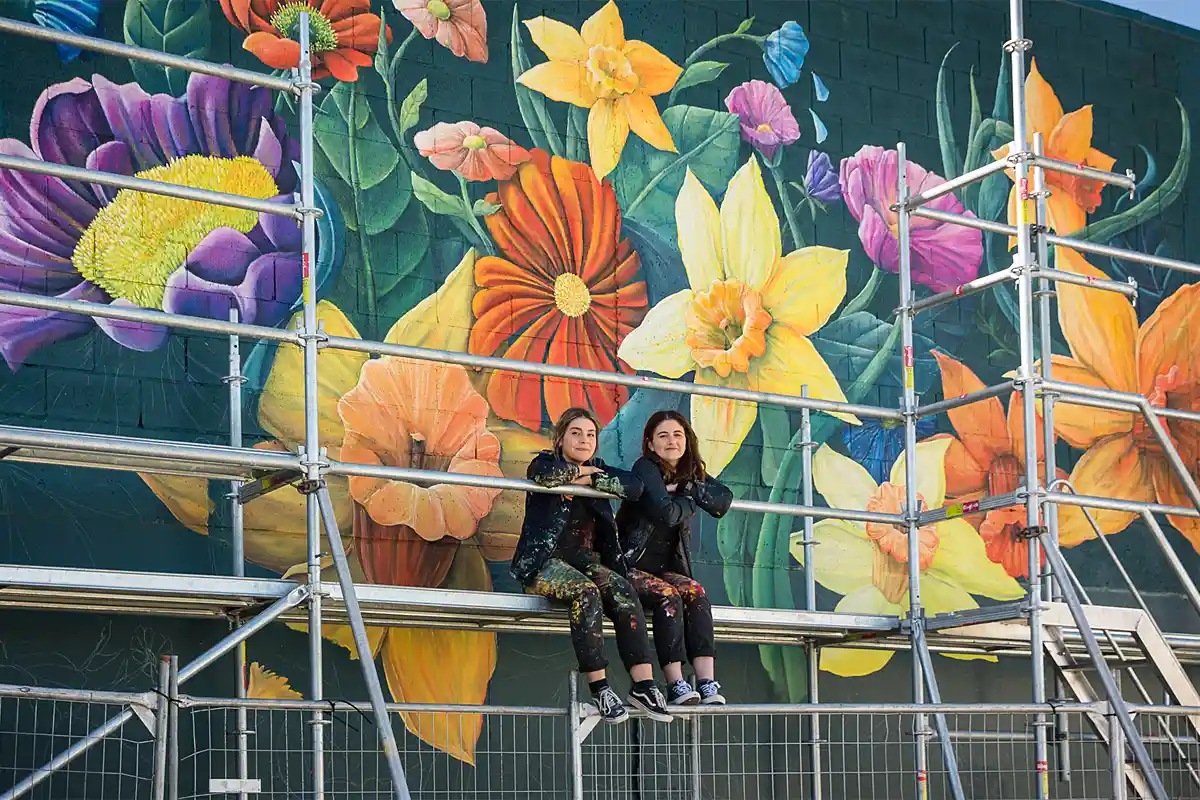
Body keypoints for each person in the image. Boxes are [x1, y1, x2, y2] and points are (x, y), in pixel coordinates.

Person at [509, 407, 672, 725]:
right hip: (544, 565)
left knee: (623, 590)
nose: (584, 440)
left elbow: (634, 488)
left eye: (590, 434)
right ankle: (600, 688)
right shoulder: (545, 462)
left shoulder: (601, 469)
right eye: (576, 433)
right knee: (587, 594)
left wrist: (594, 475)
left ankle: (643, 685)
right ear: (560, 438)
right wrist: (586, 476)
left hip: (587, 562)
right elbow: (546, 477)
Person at [617, 410, 733, 706]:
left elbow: (723, 501)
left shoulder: (689, 474)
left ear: (687, 440)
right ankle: (676, 683)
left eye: (677, 434)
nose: (671, 441)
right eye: (663, 436)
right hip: (630, 565)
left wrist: (686, 489)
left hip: (666, 568)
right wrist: (688, 500)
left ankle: (707, 682)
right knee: (669, 596)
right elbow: (665, 513)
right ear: (651, 443)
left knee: (696, 592)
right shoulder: (645, 467)